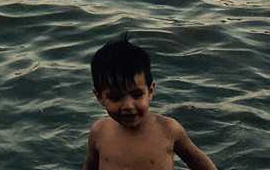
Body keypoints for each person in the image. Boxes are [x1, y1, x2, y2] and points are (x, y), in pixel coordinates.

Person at [81, 35, 218, 170]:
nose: (128, 106)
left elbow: (201, 164)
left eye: (137, 95)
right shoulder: (99, 132)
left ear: (150, 91)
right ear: (99, 97)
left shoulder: (168, 130)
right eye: (116, 97)